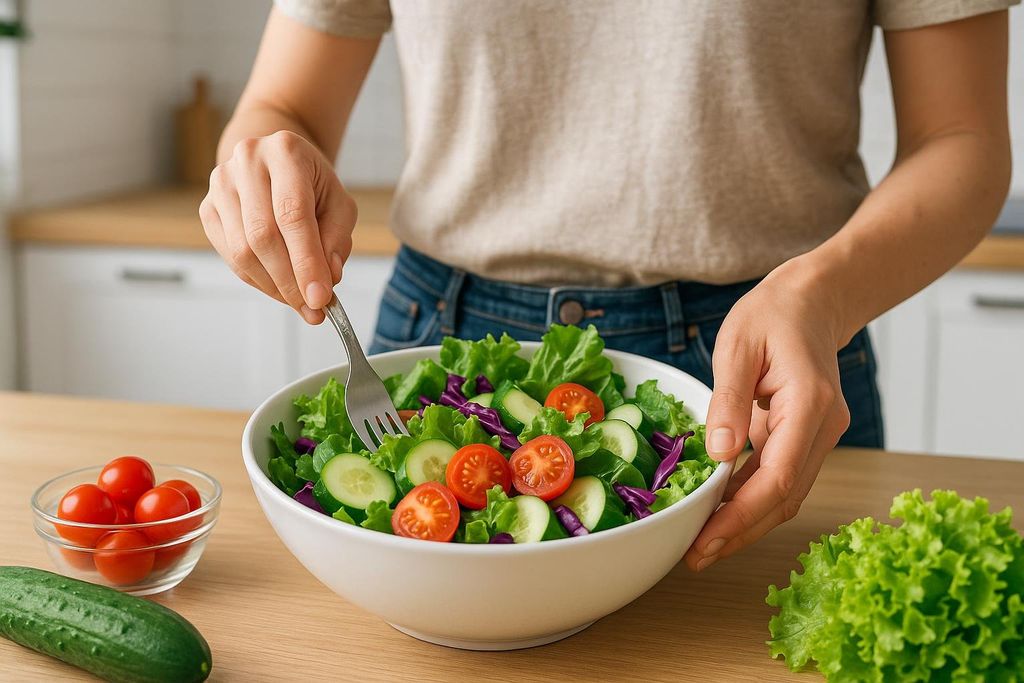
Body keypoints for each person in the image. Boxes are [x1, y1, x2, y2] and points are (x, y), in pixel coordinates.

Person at [200, 2, 1015, 570]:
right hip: (438, 333)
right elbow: (284, 106)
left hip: (769, 349)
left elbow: (963, 139)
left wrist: (823, 293)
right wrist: (264, 161)